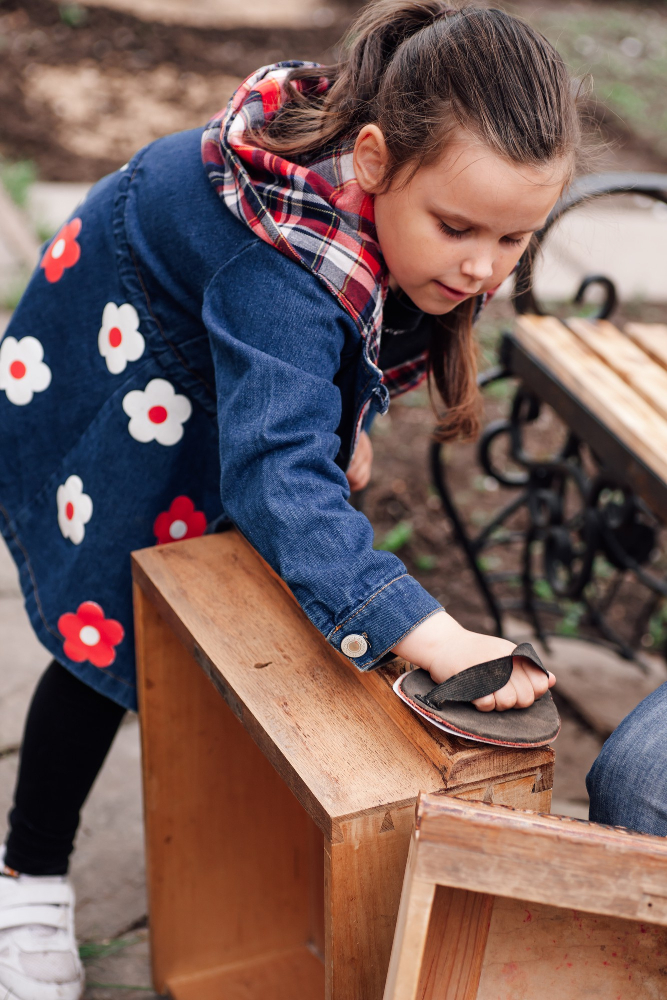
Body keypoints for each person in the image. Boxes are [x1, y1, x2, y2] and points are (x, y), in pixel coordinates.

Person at [0, 2, 578, 996]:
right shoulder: (280, 266)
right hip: (132, 362)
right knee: (108, 629)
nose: (484, 266)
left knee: (258, 559)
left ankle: (218, 833)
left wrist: (334, 415)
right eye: (459, 230)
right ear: (370, 161)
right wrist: (427, 632)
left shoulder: (406, 206)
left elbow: (351, 337)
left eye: (516, 238)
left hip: (219, 349)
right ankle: (28, 873)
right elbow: (279, 473)